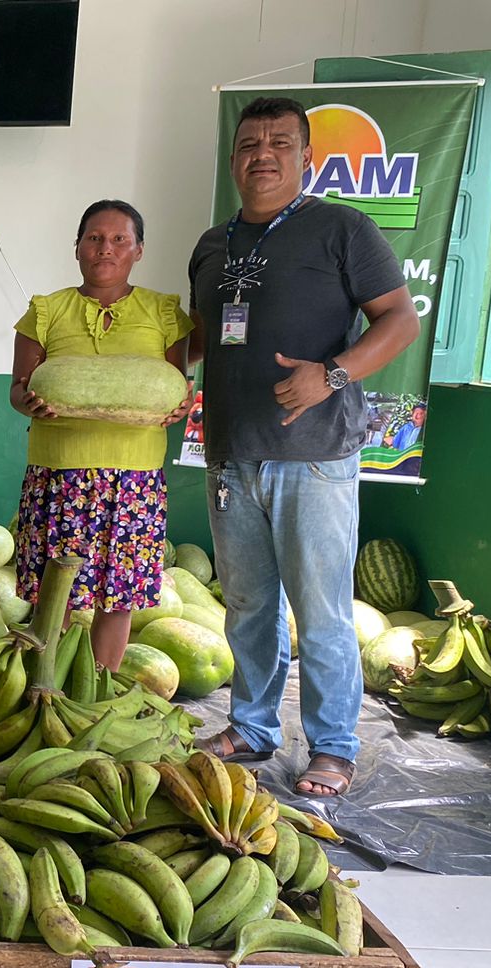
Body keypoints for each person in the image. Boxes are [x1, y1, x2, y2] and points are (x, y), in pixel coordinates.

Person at [188, 95, 419, 797]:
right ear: (234, 159)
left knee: (321, 613)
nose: (263, 154)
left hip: (314, 456)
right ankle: (252, 726)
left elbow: (400, 320)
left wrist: (333, 374)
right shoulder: (212, 244)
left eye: (279, 143)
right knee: (248, 607)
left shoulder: (342, 229)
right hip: (230, 456)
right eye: (249, 143)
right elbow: (200, 339)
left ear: (307, 157)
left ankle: (334, 745)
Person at [8, 199, 193, 672]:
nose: (105, 248)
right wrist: (27, 401)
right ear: (77, 248)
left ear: (139, 250)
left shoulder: (164, 312)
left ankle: (99, 686)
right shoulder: (46, 310)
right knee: (55, 595)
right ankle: (47, 686)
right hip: (58, 474)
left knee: (119, 595)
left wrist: (181, 404)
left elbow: (176, 386)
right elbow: (17, 389)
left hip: (134, 478)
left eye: (118, 239)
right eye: (94, 238)